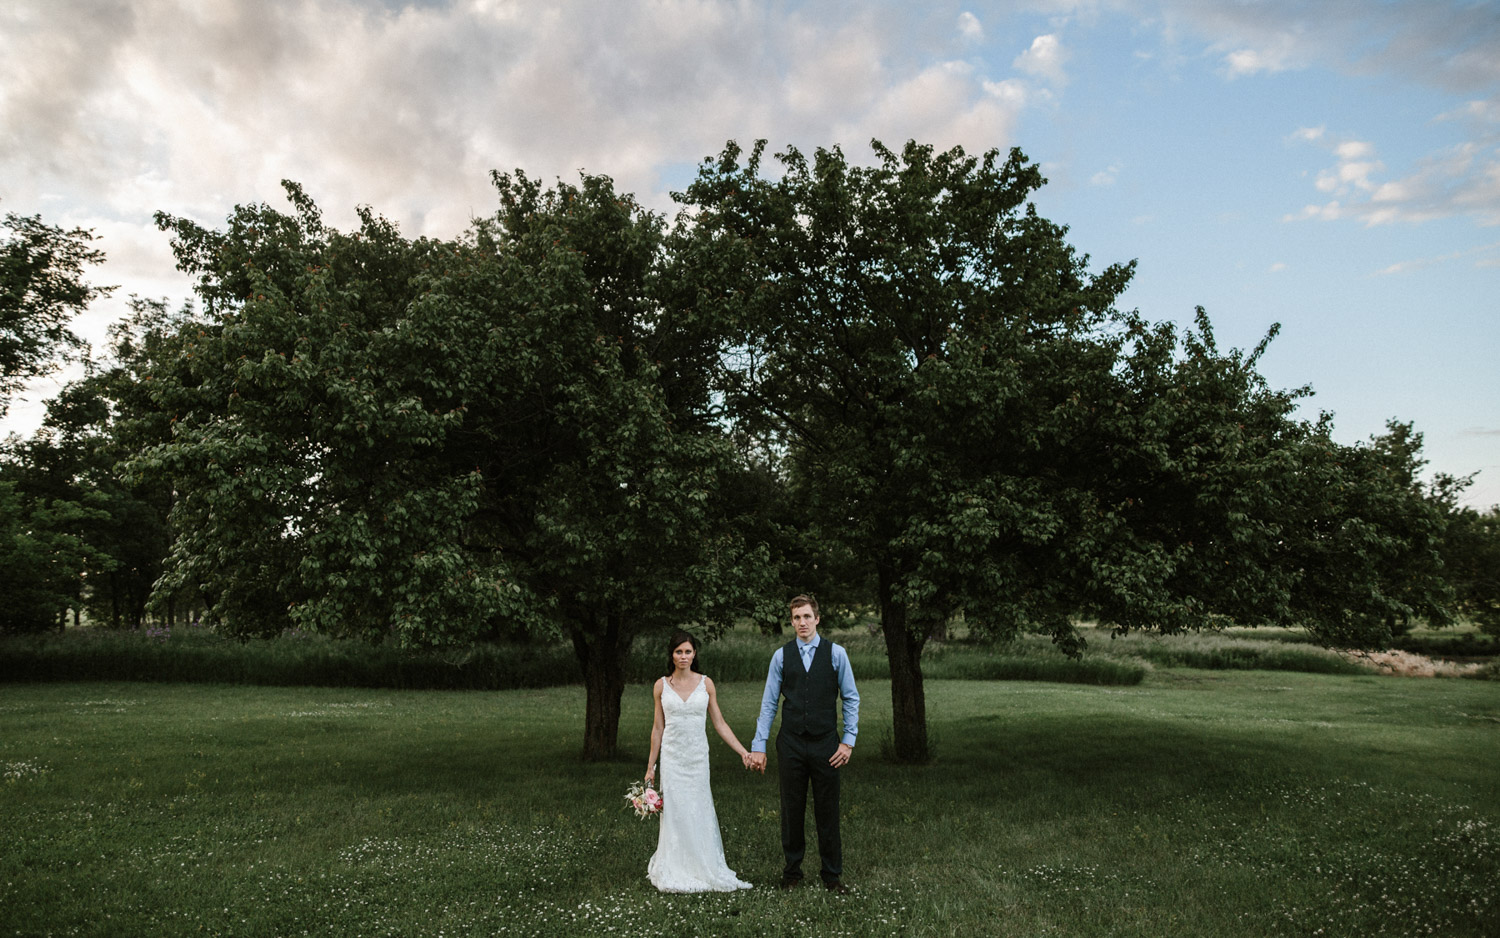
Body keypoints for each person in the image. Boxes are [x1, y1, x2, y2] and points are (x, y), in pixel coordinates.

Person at [747, 594, 860, 893]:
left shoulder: (837, 654)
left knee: (827, 810)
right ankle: (792, 873)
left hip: (826, 745)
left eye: (807, 616)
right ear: (792, 621)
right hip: (792, 744)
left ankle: (832, 875)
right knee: (791, 809)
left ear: (817, 619)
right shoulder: (781, 656)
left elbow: (850, 697)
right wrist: (759, 744)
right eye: (796, 618)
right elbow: (769, 703)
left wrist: (847, 742)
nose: (802, 623)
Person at [644, 629, 757, 893]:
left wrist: (743, 751)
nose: (683, 656)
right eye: (678, 652)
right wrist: (651, 766)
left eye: (688, 651)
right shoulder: (661, 685)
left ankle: (703, 865)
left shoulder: (706, 684)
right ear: (671, 655)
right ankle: (676, 866)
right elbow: (657, 728)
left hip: (697, 758)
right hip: (672, 759)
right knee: (675, 812)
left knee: (697, 808)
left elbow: (719, 723)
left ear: (695, 654)